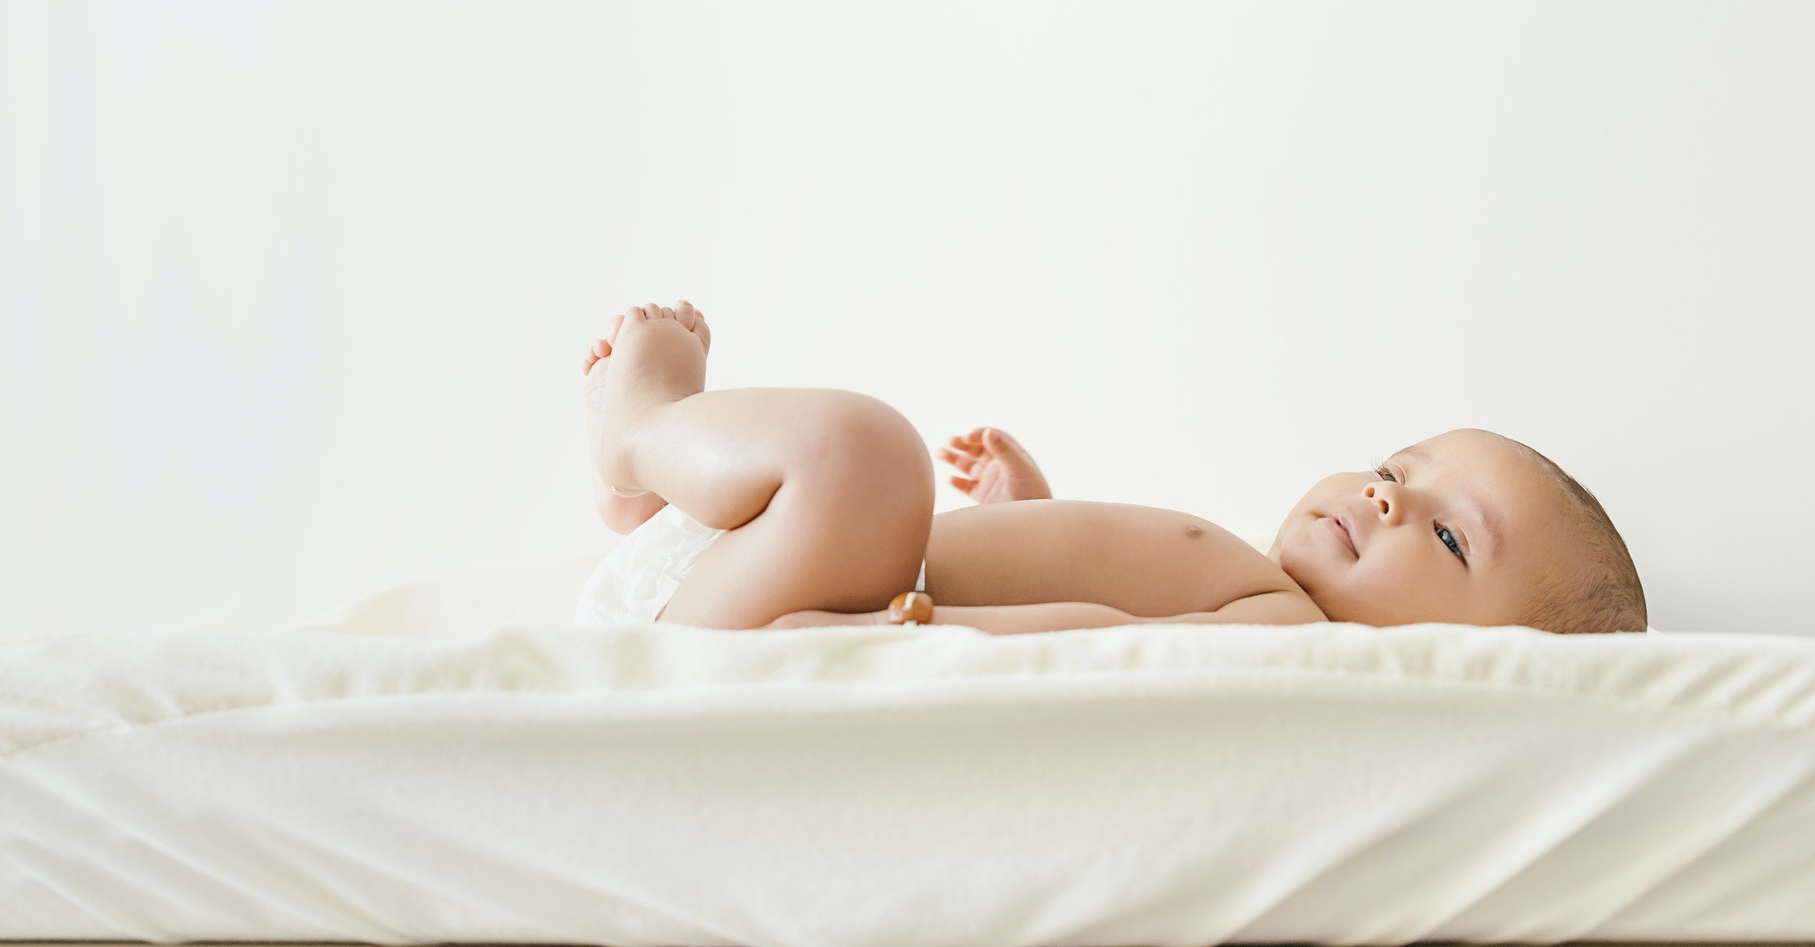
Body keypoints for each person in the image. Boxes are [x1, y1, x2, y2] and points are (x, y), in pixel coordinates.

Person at [577, 301, 1646, 635]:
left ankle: (647, 427)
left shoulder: (1293, 644)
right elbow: (1104, 613)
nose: (1384, 497)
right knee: (868, 482)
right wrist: (1025, 517)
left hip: (773, 627)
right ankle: (662, 502)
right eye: (1393, 470)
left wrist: (934, 626)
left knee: (866, 458)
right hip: (767, 590)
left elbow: (1101, 655)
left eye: (1449, 537)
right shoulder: (1255, 590)